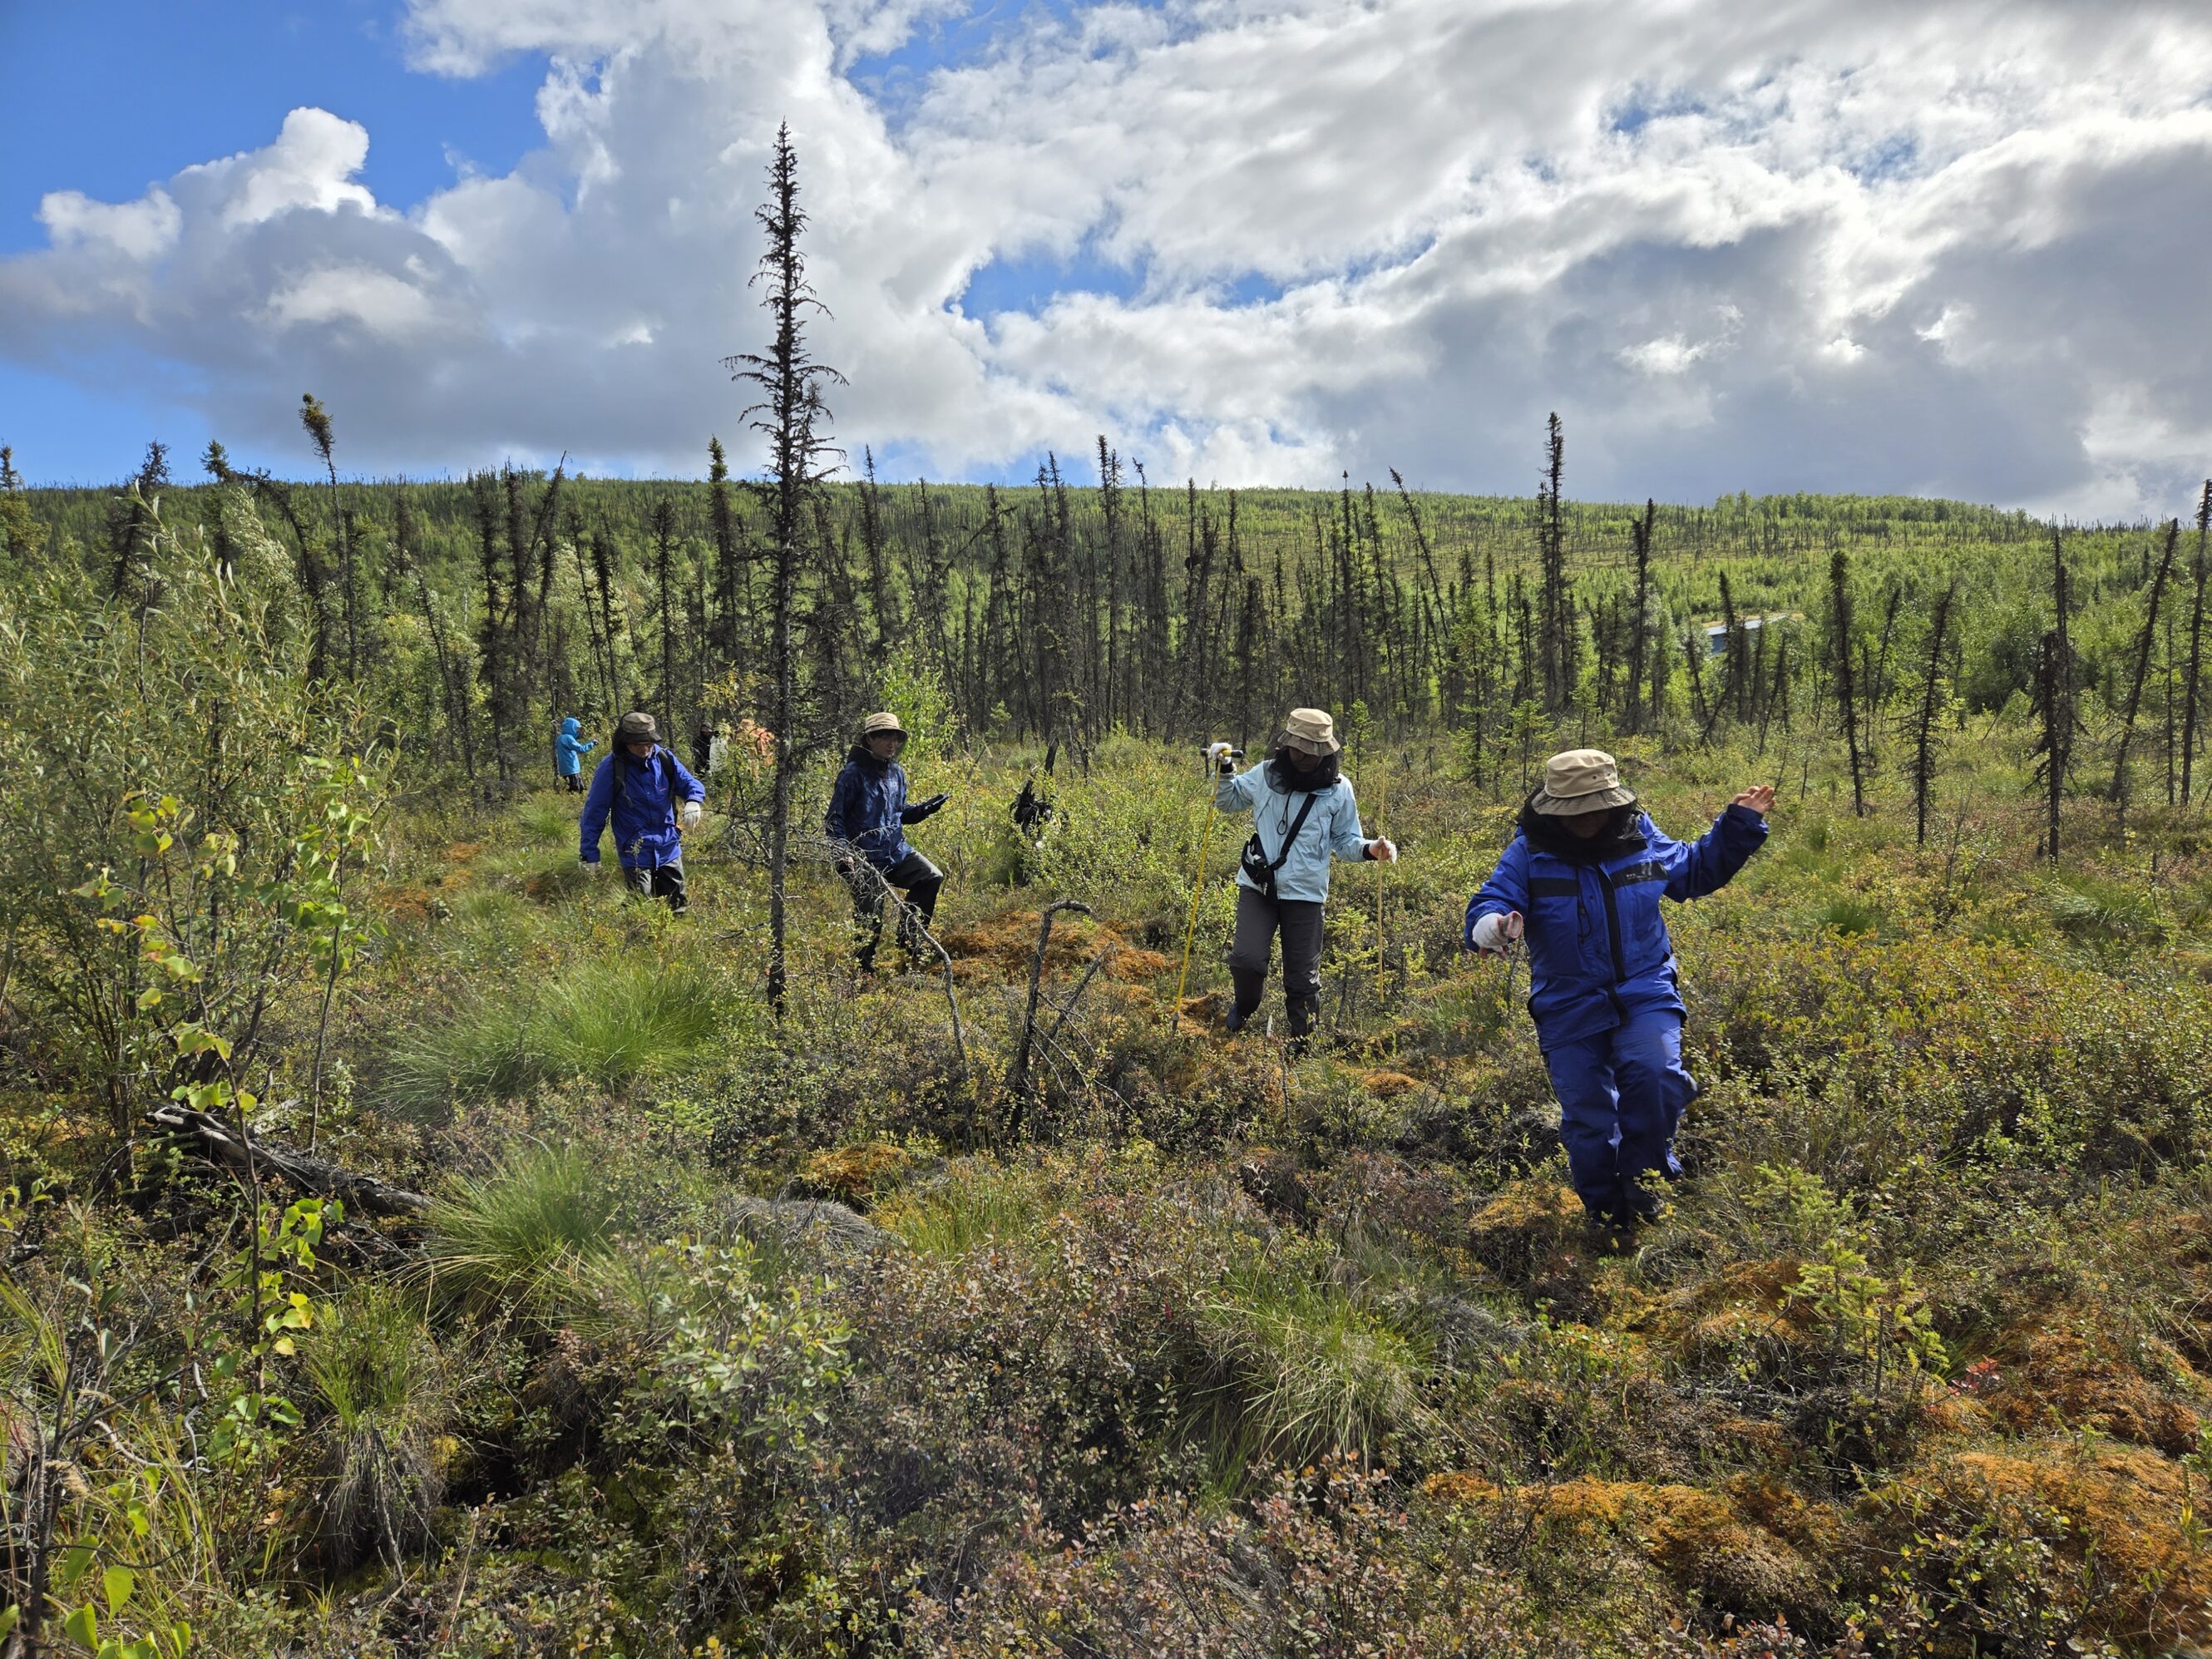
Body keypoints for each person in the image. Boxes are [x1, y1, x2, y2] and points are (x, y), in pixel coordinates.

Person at [1465, 748, 1772, 1237]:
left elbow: (1692, 873)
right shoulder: (1529, 852)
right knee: (1588, 1117)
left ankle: (1645, 1192)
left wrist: (1737, 827)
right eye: (1576, 810)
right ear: (1553, 809)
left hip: (1644, 987)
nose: (1588, 818)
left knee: (1655, 1078)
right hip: (1566, 1000)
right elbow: (1492, 899)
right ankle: (1605, 1215)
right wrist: (1493, 927)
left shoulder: (1639, 837)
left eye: (1596, 806)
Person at [1207, 707, 1396, 1053]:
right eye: (1299, 748)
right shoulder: (1265, 775)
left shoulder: (1340, 790)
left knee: (1303, 980)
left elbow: (1345, 841)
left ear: (1326, 751)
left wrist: (1371, 849)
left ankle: (1302, 1045)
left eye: (1313, 750)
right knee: (1246, 960)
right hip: (1259, 886)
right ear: (1287, 746)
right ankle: (1244, 1008)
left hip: (1306, 894)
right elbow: (1228, 801)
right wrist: (1225, 768)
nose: (1305, 756)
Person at [826, 711, 951, 972]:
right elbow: (834, 818)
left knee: (931, 877)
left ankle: (909, 943)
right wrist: (843, 852)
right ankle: (862, 970)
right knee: (871, 913)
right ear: (870, 739)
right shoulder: (853, 774)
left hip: (895, 851)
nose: (891, 743)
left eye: (895, 737)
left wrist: (924, 810)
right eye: (884, 737)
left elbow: (899, 813)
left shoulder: (897, 773)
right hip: (862, 858)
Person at [579, 710, 706, 913]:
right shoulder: (611, 768)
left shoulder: (664, 758)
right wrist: (589, 853)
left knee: (677, 906)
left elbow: (690, 783)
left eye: (648, 742)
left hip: (668, 847)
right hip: (635, 851)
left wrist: (694, 800)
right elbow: (594, 813)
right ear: (624, 741)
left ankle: (674, 943)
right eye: (638, 743)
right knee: (641, 908)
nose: (645, 748)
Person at [555, 715, 597, 794]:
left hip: (564, 770)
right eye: (576, 729)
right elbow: (581, 749)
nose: (577, 731)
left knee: (574, 790)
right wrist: (592, 744)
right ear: (571, 728)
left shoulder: (560, 738)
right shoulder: (568, 738)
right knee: (576, 791)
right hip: (572, 769)